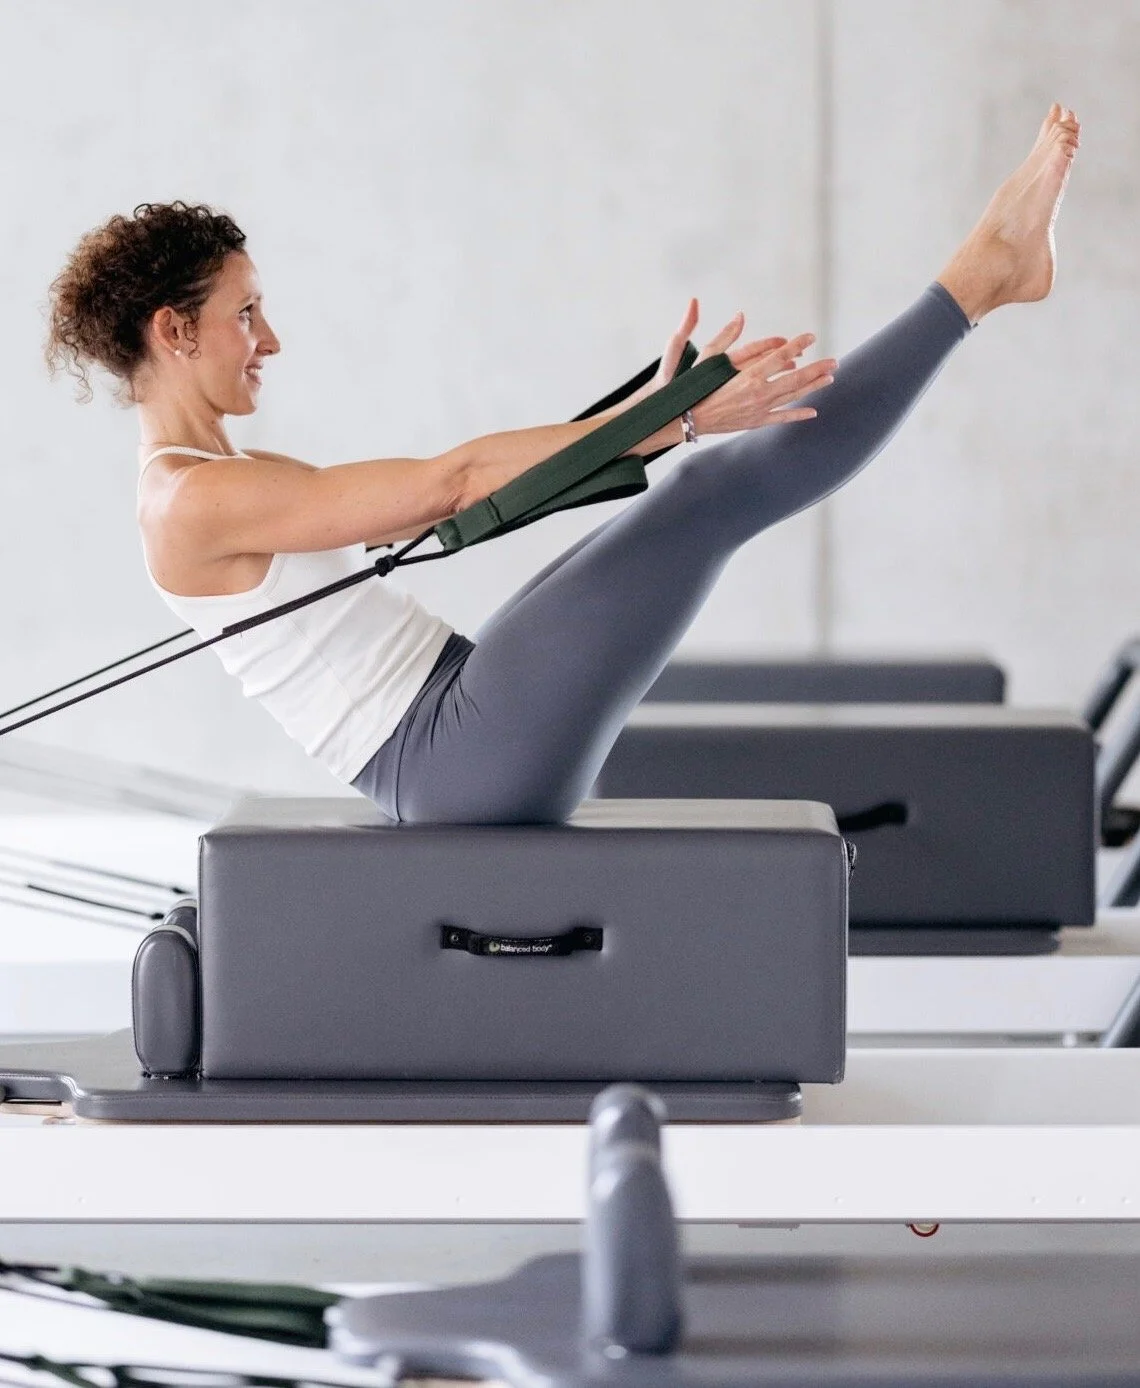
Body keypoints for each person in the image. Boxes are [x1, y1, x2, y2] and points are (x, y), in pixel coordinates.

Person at [44, 104, 1080, 824]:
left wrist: (650, 414)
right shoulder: (192, 498)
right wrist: (673, 420)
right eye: (246, 313)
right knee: (715, 490)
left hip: (455, 713)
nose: (268, 339)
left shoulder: (224, 474)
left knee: (697, 492)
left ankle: (984, 279)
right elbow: (454, 482)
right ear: (175, 331)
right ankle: (981, 278)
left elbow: (443, 515)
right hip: (450, 752)